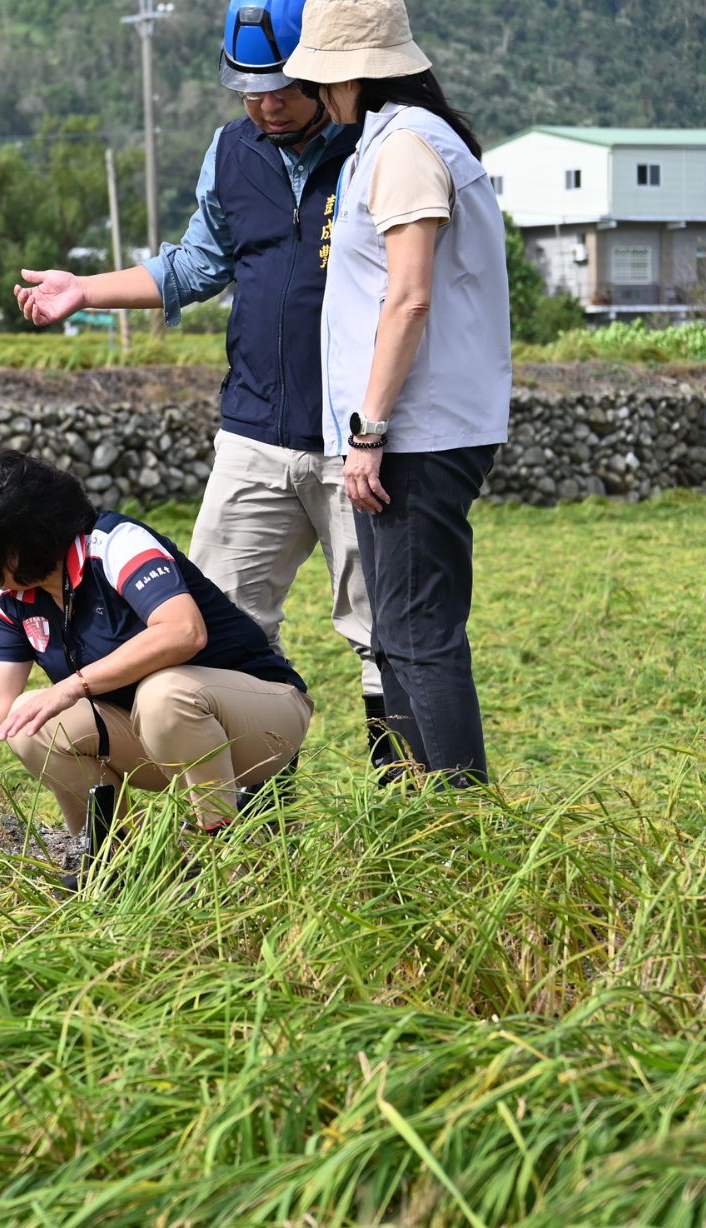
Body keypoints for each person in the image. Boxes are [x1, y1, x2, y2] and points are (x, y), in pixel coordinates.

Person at [13, 0, 399, 779]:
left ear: (322, 73)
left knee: (380, 627)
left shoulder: (377, 146)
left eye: (281, 88)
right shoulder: (230, 152)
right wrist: (83, 290)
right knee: (220, 622)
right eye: (247, 90)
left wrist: (380, 427)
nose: (264, 104)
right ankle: (255, 818)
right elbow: (195, 264)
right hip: (253, 431)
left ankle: (402, 797)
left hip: (355, 438)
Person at [284, 0, 509, 784]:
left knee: (417, 633)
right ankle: (430, 817)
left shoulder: (406, 146)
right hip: (406, 430)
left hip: (415, 433)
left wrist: (369, 431)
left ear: (347, 73)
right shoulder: (389, 141)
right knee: (399, 634)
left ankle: (460, 827)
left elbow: (407, 298)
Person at [0, 451, 312, 864]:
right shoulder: (13, 592)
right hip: (157, 734)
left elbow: (183, 631)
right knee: (28, 722)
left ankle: (221, 853)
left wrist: (72, 687)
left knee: (164, 693)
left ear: (22, 545)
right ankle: (119, 861)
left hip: (261, 723)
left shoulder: (116, 544)